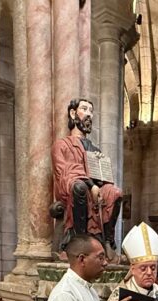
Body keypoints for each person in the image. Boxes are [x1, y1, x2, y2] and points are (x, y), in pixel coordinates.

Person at [52, 98, 123, 252]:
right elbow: (64, 171)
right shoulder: (62, 145)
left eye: (91, 111)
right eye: (84, 109)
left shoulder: (95, 150)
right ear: (73, 113)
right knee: (79, 187)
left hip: (95, 190)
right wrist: (91, 185)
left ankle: (107, 241)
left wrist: (102, 178)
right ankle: (79, 241)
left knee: (115, 192)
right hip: (72, 189)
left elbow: (102, 179)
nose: (89, 114)